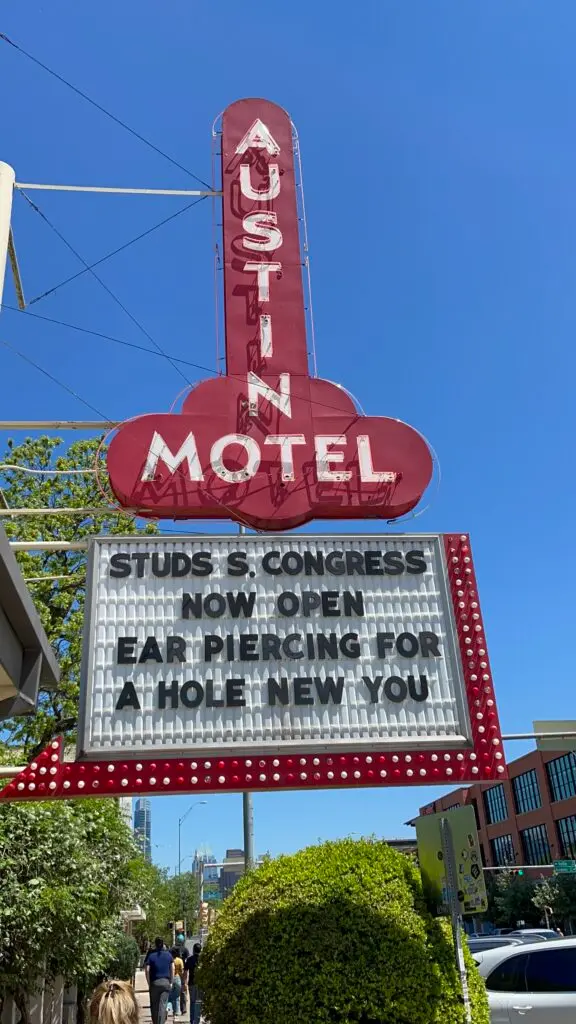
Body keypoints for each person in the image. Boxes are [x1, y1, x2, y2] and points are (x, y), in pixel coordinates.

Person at [144, 938, 174, 1024]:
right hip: (165, 982)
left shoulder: (151, 956)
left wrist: (149, 982)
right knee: (162, 1005)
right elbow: (172, 968)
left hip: (154, 983)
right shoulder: (168, 955)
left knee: (154, 1005)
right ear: (163, 944)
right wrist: (171, 982)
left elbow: (147, 970)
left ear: (155, 944)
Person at [183, 943, 202, 1024]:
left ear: (193, 950)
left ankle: (192, 1020)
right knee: (199, 1002)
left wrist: (184, 983)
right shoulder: (203, 959)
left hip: (192, 983)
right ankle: (197, 1020)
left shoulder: (189, 959)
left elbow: (185, 972)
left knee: (192, 1002)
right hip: (201, 983)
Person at [168, 948, 185, 1017]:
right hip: (178, 978)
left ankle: (169, 1010)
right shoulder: (179, 960)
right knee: (177, 996)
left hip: (170, 978)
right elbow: (182, 971)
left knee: (170, 996)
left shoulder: (169, 960)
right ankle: (177, 1012)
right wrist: (183, 980)